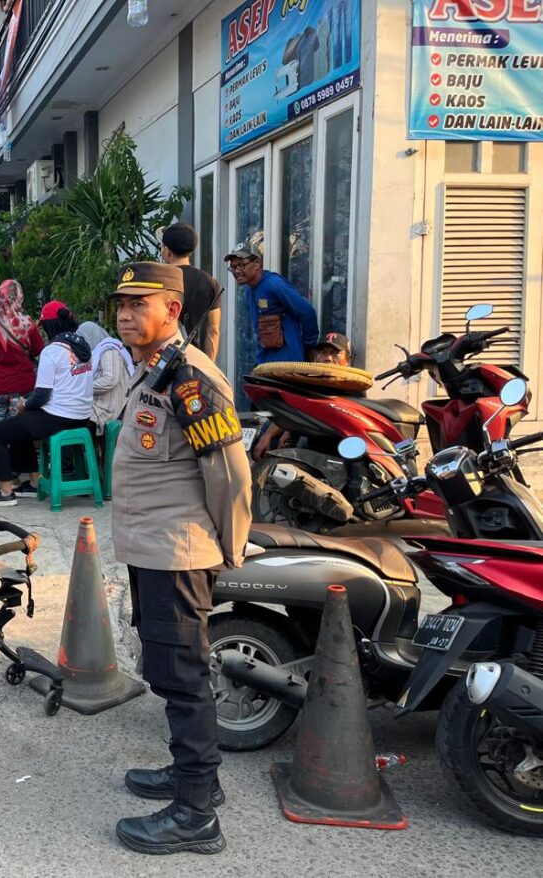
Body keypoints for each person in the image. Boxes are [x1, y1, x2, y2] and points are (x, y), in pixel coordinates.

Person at [108, 262, 252, 856]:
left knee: (186, 678)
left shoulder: (191, 378)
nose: (124, 312)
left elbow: (229, 473)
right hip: (151, 548)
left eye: (140, 302)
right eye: (120, 302)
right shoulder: (154, 371)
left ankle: (196, 815)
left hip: (176, 552)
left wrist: (230, 547)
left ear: (172, 309)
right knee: (167, 670)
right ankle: (192, 779)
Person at [0, 316, 94, 508]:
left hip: (58, 416)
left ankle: (5, 491)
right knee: (21, 425)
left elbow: (41, 396)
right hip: (82, 416)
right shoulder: (83, 348)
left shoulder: (52, 351)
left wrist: (25, 405)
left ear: (49, 327)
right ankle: (34, 481)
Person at [0, 279, 44, 493]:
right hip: (23, 386)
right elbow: (38, 349)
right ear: (19, 297)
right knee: (18, 431)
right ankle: (14, 474)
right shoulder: (28, 323)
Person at [251, 331, 356, 461]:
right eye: (322, 352)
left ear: (347, 360)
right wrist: (268, 435)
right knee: (267, 427)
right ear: (314, 358)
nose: (328, 358)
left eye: (335, 353)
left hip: (334, 443)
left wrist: (291, 431)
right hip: (306, 433)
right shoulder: (309, 382)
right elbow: (291, 410)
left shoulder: (353, 388)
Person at [225, 243, 318, 365]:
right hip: (265, 363)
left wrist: (308, 346)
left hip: (287, 366)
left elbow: (307, 312)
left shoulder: (274, 284)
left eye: (241, 265)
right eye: (233, 267)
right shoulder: (249, 290)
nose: (236, 271)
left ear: (257, 263)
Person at [161, 223, 222, 360]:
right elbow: (213, 330)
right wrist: (207, 365)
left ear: (167, 251)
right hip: (195, 360)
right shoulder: (209, 282)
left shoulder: (160, 281)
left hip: (162, 359)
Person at [78, 320, 134, 432]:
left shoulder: (109, 350)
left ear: (91, 336)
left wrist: (83, 387)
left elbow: (110, 380)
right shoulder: (97, 351)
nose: (82, 343)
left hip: (109, 408)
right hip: (101, 403)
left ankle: (88, 448)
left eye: (84, 338)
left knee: (73, 417)